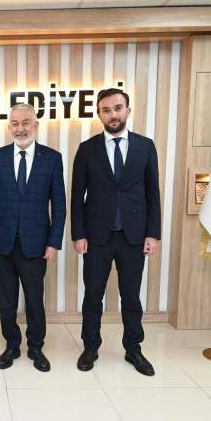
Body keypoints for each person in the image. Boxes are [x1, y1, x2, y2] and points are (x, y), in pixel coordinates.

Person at [71, 88, 160, 376]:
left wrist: (153, 234)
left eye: (118, 108)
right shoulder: (87, 149)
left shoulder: (145, 147)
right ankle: (90, 346)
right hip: (97, 237)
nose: (113, 114)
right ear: (99, 114)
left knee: (131, 296)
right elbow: (77, 196)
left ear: (128, 111)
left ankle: (133, 348)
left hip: (134, 237)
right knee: (92, 295)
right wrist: (78, 234)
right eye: (106, 110)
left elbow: (153, 194)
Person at [0, 103, 66, 372]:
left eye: (26, 122)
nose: (20, 129)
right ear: (9, 127)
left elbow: (59, 205)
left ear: (35, 125)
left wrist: (53, 242)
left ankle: (36, 347)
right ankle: (11, 345)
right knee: (6, 300)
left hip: (37, 244)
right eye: (15, 123)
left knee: (34, 300)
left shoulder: (52, 158)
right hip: (2, 243)